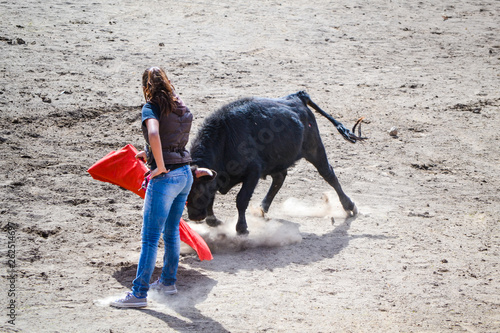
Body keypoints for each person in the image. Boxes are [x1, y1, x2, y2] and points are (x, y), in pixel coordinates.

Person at [111, 67, 194, 308]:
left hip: (166, 177)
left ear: (146, 86)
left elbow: (155, 133)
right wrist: (147, 153)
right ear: (167, 82)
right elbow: (174, 137)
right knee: (171, 233)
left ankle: (138, 294)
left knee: (149, 238)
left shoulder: (151, 106)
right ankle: (168, 282)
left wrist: (157, 165)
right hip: (185, 174)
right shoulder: (181, 106)